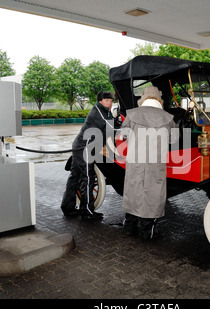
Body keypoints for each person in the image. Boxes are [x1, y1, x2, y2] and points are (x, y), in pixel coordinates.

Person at [121, 86, 178, 240]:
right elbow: (174, 139)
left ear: (143, 98)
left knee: (134, 190)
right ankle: (148, 231)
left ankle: (129, 226)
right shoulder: (168, 117)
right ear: (159, 99)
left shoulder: (132, 114)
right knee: (153, 192)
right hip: (156, 163)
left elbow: (124, 135)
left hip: (135, 162)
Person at [61, 91, 116, 221]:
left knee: (75, 177)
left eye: (111, 100)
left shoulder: (104, 111)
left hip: (82, 146)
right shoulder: (98, 111)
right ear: (100, 100)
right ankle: (87, 211)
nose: (110, 102)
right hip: (84, 148)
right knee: (88, 177)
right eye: (107, 100)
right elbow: (109, 127)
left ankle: (67, 208)